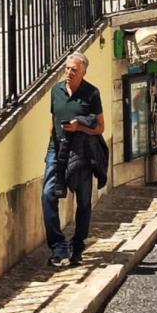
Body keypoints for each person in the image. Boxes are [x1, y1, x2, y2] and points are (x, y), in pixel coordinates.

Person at [42, 51, 106, 267]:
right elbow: (53, 120)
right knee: (47, 195)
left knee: (84, 201)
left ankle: (77, 246)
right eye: (67, 68)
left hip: (82, 152)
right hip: (57, 150)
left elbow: (100, 127)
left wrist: (79, 127)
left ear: (83, 72)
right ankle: (58, 247)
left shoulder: (92, 93)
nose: (69, 73)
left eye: (74, 70)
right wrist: (52, 145)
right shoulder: (56, 90)